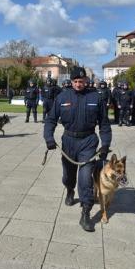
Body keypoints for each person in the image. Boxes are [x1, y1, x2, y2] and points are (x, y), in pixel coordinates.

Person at [44, 67, 111, 232]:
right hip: (68, 141)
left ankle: (86, 213)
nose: (78, 84)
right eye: (75, 81)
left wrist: (105, 145)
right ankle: (69, 189)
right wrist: (49, 138)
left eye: (81, 81)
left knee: (85, 178)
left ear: (86, 81)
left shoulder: (96, 97)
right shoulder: (62, 97)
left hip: (88, 142)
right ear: (71, 81)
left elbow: (104, 124)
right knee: (68, 175)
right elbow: (51, 120)